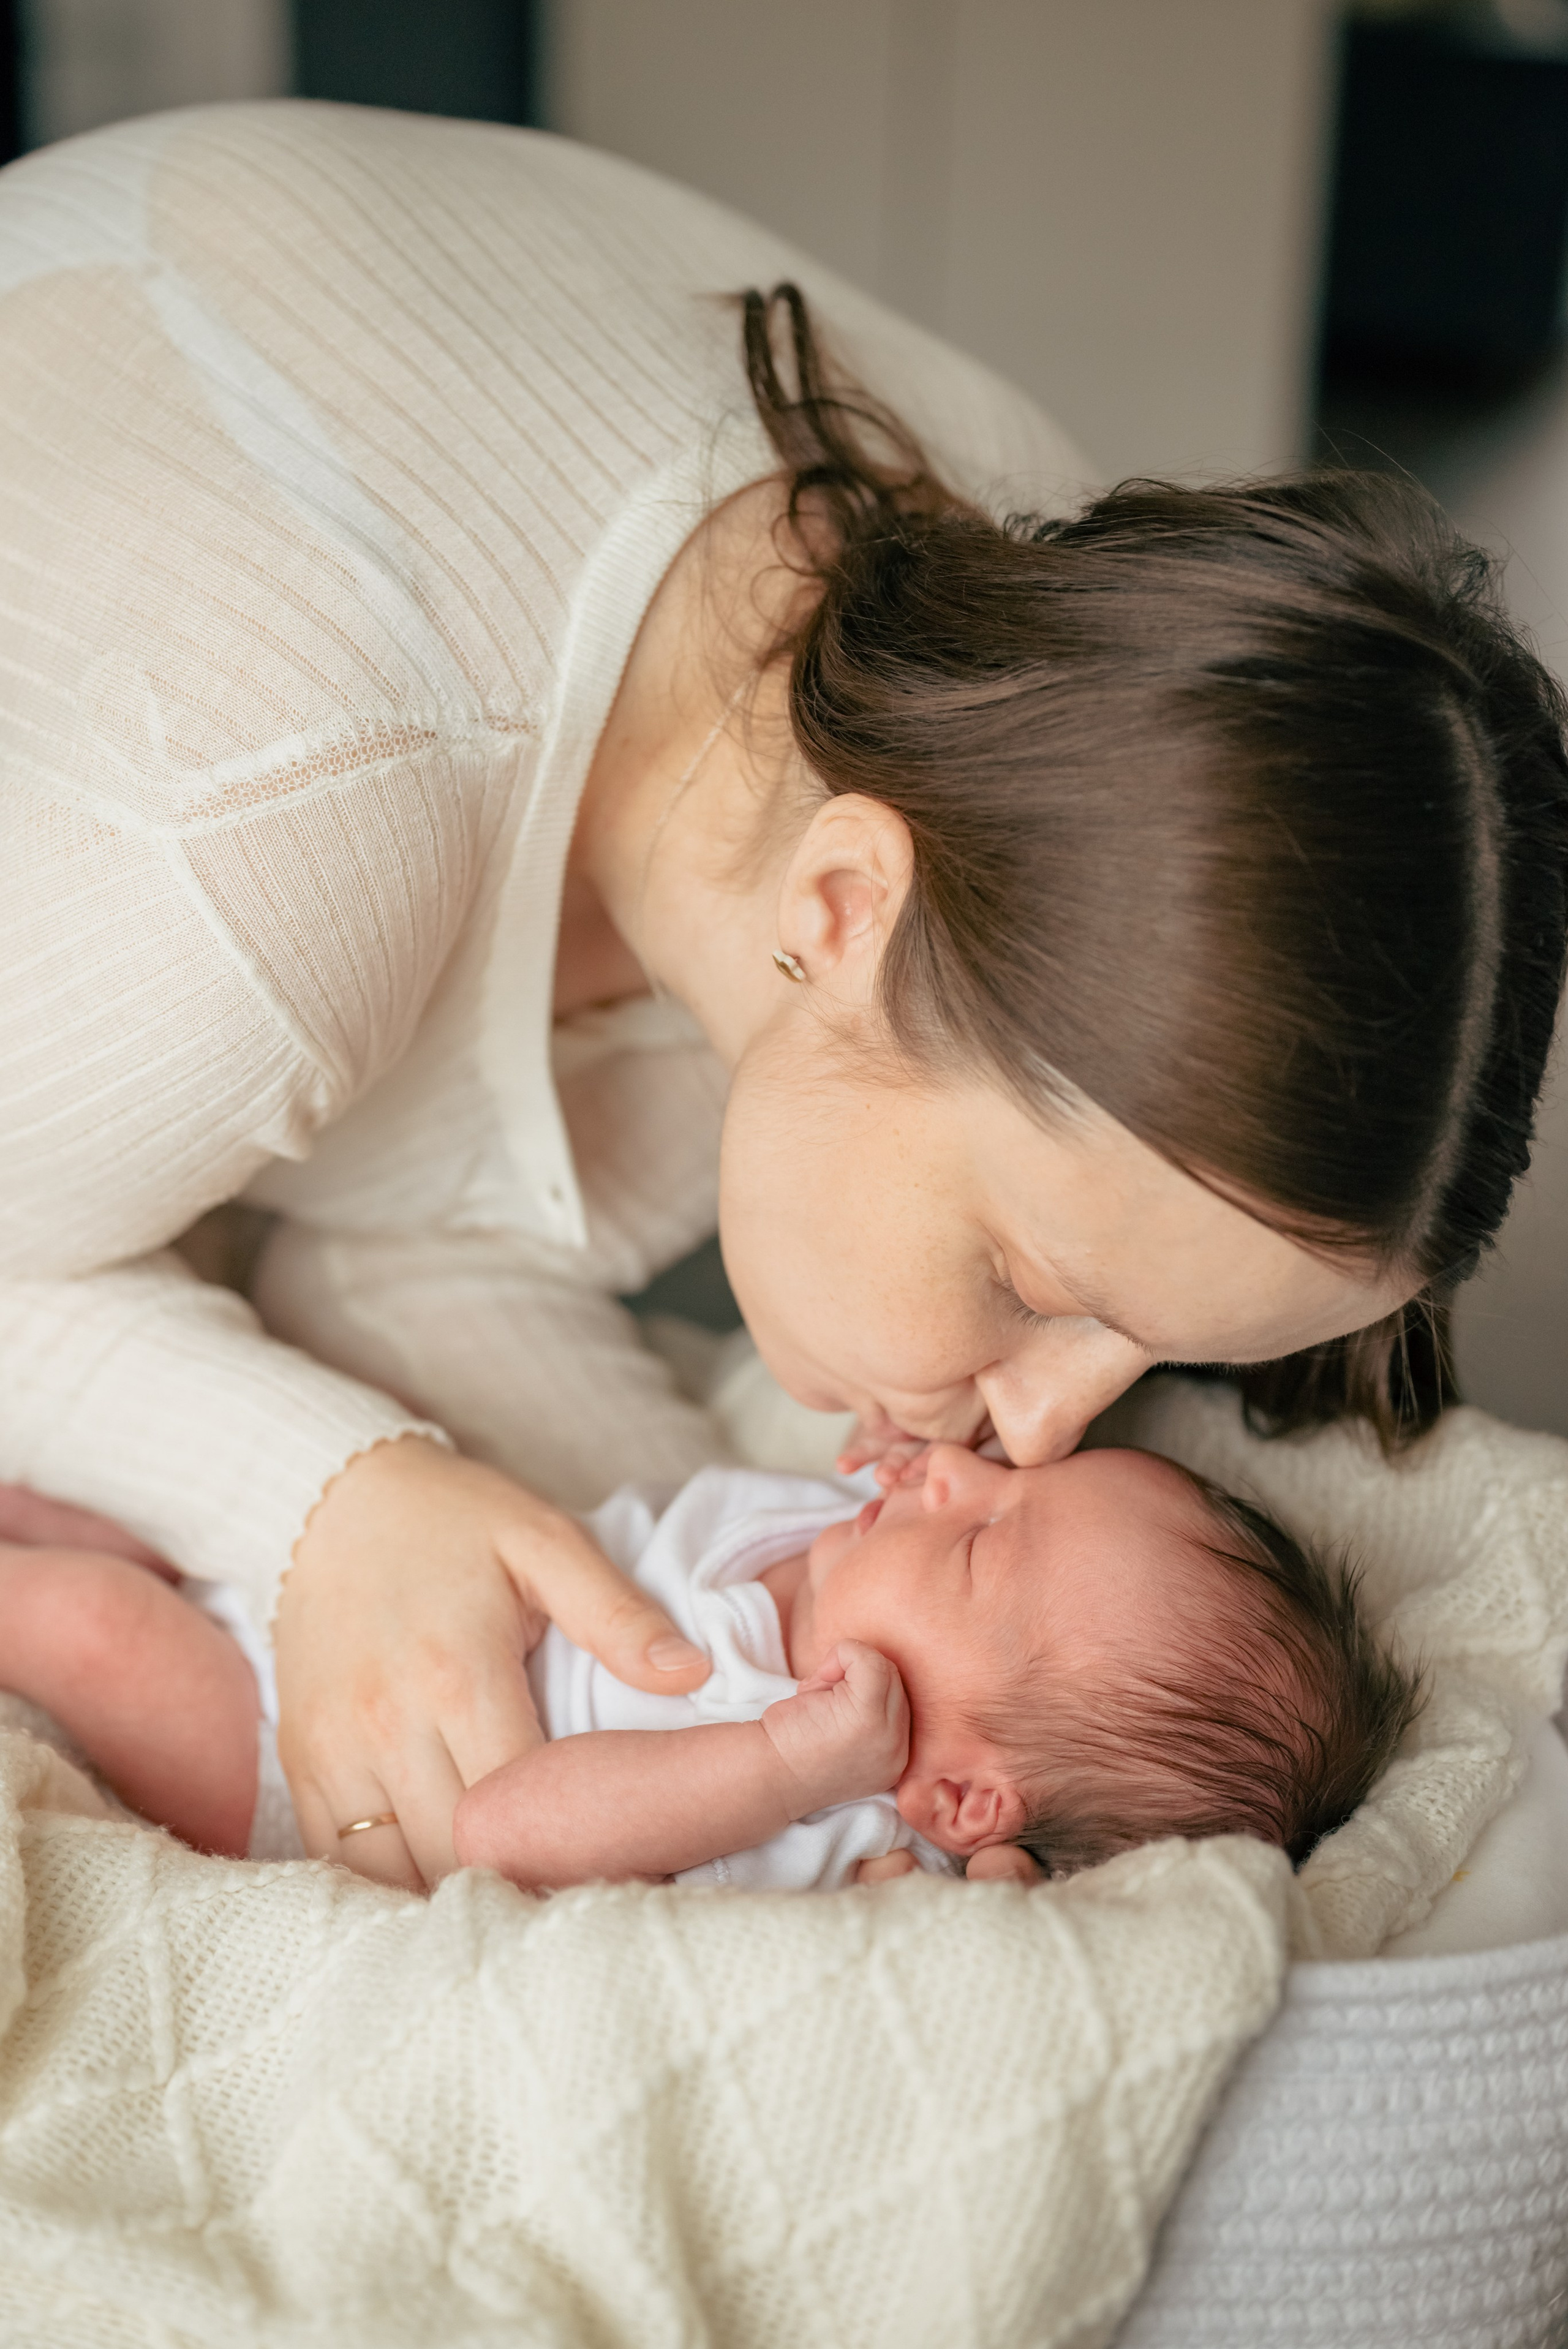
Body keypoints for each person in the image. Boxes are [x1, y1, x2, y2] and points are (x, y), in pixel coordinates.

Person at [1, 103, 1564, 1897]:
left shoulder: (1028, 687)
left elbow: (412, 1229)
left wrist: (749, 1735)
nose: (1043, 1431)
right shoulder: (258, 846)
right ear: (845, 907)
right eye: (1042, 1288)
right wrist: (316, 1490)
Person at [0, 1446, 1419, 1891]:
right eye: (998, 1471)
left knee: (88, 1626)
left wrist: (783, 1762)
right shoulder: (833, 1538)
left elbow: (502, 1825)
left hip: (312, 1768)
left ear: (962, 1797)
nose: (947, 1475)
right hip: (351, 1598)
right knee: (104, 1510)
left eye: (979, 1539)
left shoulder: (812, 1804)